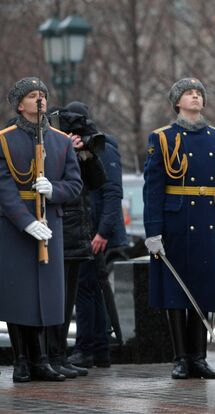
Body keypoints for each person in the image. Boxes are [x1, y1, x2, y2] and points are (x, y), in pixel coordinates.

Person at [143, 78, 215, 379]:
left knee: (204, 291)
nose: (195, 97)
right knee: (175, 291)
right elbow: (154, 188)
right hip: (175, 223)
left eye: (199, 94)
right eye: (188, 93)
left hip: (209, 221)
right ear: (177, 102)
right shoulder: (162, 138)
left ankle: (199, 357)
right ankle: (181, 358)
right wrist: (153, 231)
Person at [0, 77, 82, 382]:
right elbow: (4, 187)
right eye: (33, 96)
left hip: (51, 222)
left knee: (45, 296)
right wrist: (26, 222)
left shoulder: (60, 140)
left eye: (43, 95)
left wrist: (54, 190)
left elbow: (75, 184)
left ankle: (42, 359)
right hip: (15, 226)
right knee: (18, 295)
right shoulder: (5, 139)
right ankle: (22, 360)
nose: (40, 100)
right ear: (20, 105)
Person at [46, 103, 107, 378]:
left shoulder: (77, 150)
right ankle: (47, 356)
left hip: (77, 231)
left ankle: (59, 355)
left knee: (68, 300)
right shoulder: (50, 143)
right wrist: (64, 149)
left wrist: (86, 154)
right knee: (53, 299)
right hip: (58, 230)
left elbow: (97, 182)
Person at [67, 101, 127, 370]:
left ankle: (88, 349)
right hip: (87, 228)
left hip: (96, 231)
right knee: (91, 289)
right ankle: (98, 348)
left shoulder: (104, 147)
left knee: (88, 289)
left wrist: (102, 232)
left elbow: (112, 193)